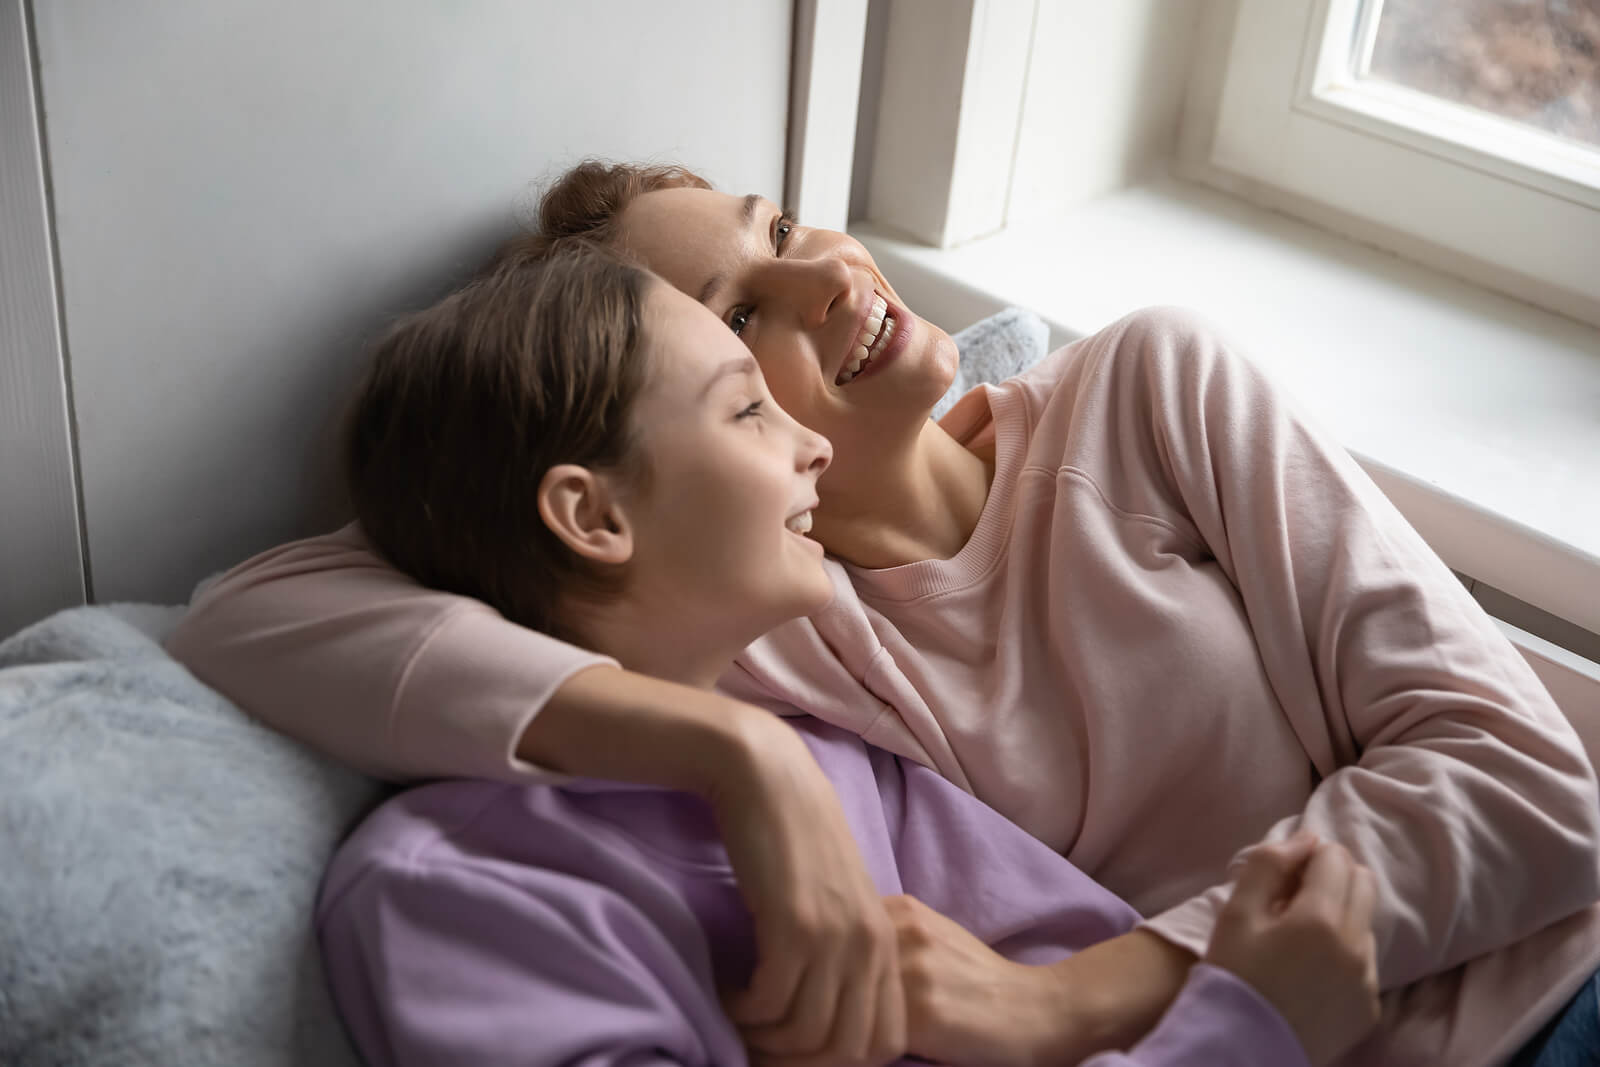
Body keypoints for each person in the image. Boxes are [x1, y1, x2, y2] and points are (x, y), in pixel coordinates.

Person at [168, 161, 1600, 1065]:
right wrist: (740, 754)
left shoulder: (1145, 394)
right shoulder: (766, 637)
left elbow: (1532, 781)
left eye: (782, 225)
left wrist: (1086, 994)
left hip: (1557, 981)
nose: (823, 274)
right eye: (736, 320)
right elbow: (251, 612)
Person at [316, 242, 1380, 1066]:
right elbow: (259, 608)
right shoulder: (453, 893)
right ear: (593, 517)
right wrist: (1254, 1030)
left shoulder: (854, 765)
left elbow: (1091, 985)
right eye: (747, 408)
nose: (812, 444)